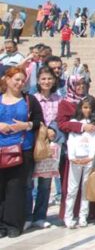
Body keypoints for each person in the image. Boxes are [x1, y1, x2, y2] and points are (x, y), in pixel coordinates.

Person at [0, 67, 44, 238]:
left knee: (16, 188)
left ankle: (13, 224)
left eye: (22, 80)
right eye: (16, 79)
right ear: (7, 79)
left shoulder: (29, 100)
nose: (19, 83)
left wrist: (25, 125)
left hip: (21, 149)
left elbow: (39, 120)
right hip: (1, 147)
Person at [30, 66, 62, 229]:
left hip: (51, 145)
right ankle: (27, 215)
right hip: (34, 143)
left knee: (45, 181)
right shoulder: (32, 98)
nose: (46, 81)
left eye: (49, 78)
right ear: (38, 80)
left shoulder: (59, 99)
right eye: (43, 78)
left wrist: (53, 130)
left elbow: (60, 119)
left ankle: (40, 216)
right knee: (29, 182)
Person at [63, 96, 95, 228]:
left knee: (85, 188)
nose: (87, 110)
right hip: (76, 159)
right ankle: (69, 216)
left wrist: (91, 156)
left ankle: (83, 216)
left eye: (90, 108)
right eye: (84, 107)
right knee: (72, 189)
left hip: (89, 160)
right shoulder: (74, 122)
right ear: (80, 108)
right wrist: (72, 156)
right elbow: (71, 140)